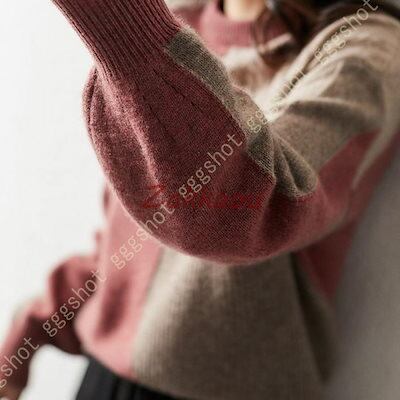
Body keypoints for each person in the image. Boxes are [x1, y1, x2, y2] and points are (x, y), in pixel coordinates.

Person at [1, 0, 400, 399]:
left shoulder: (365, 50)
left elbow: (247, 209)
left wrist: (126, 26)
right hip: (102, 381)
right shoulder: (175, 25)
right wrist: (28, 333)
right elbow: (122, 251)